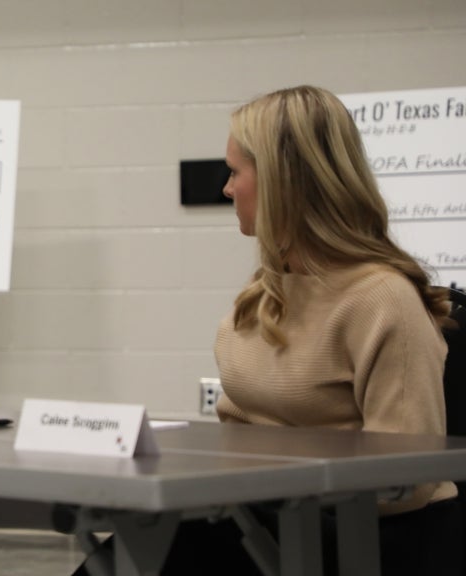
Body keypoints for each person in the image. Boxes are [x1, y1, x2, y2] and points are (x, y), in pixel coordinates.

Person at [75, 85, 462, 576]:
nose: (227, 189)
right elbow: (240, 434)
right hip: (265, 517)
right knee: (142, 542)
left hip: (367, 537)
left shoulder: (382, 299)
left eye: (236, 172)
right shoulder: (264, 291)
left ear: (285, 182)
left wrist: (253, 489)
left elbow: (407, 480)